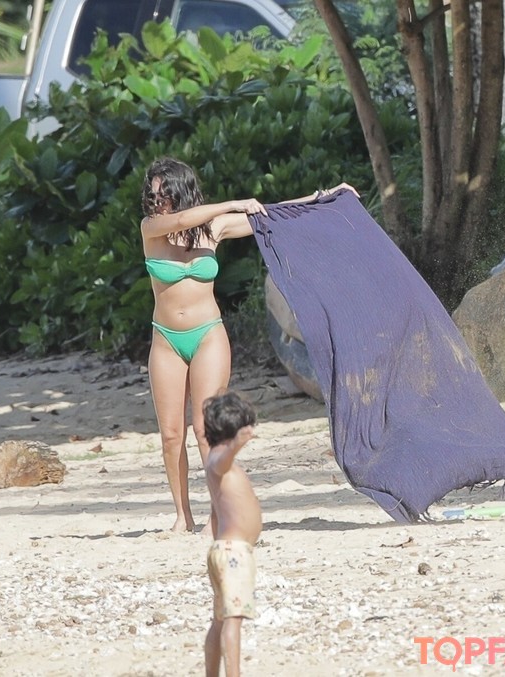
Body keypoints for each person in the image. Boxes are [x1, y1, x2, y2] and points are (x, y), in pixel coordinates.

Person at [140, 157, 348, 533]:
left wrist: (323, 197)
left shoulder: (212, 229)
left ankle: (217, 513)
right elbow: (182, 220)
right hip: (166, 341)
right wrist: (233, 203)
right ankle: (182, 516)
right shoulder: (152, 228)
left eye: (164, 194)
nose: (158, 201)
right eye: (153, 195)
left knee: (206, 428)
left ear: (181, 191)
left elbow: (270, 215)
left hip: (207, 335)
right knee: (171, 435)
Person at [201, 390, 260, 677]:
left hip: (223, 551)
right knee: (233, 621)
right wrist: (235, 446)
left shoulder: (221, 463)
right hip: (233, 553)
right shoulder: (219, 460)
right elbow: (221, 461)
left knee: (220, 620)